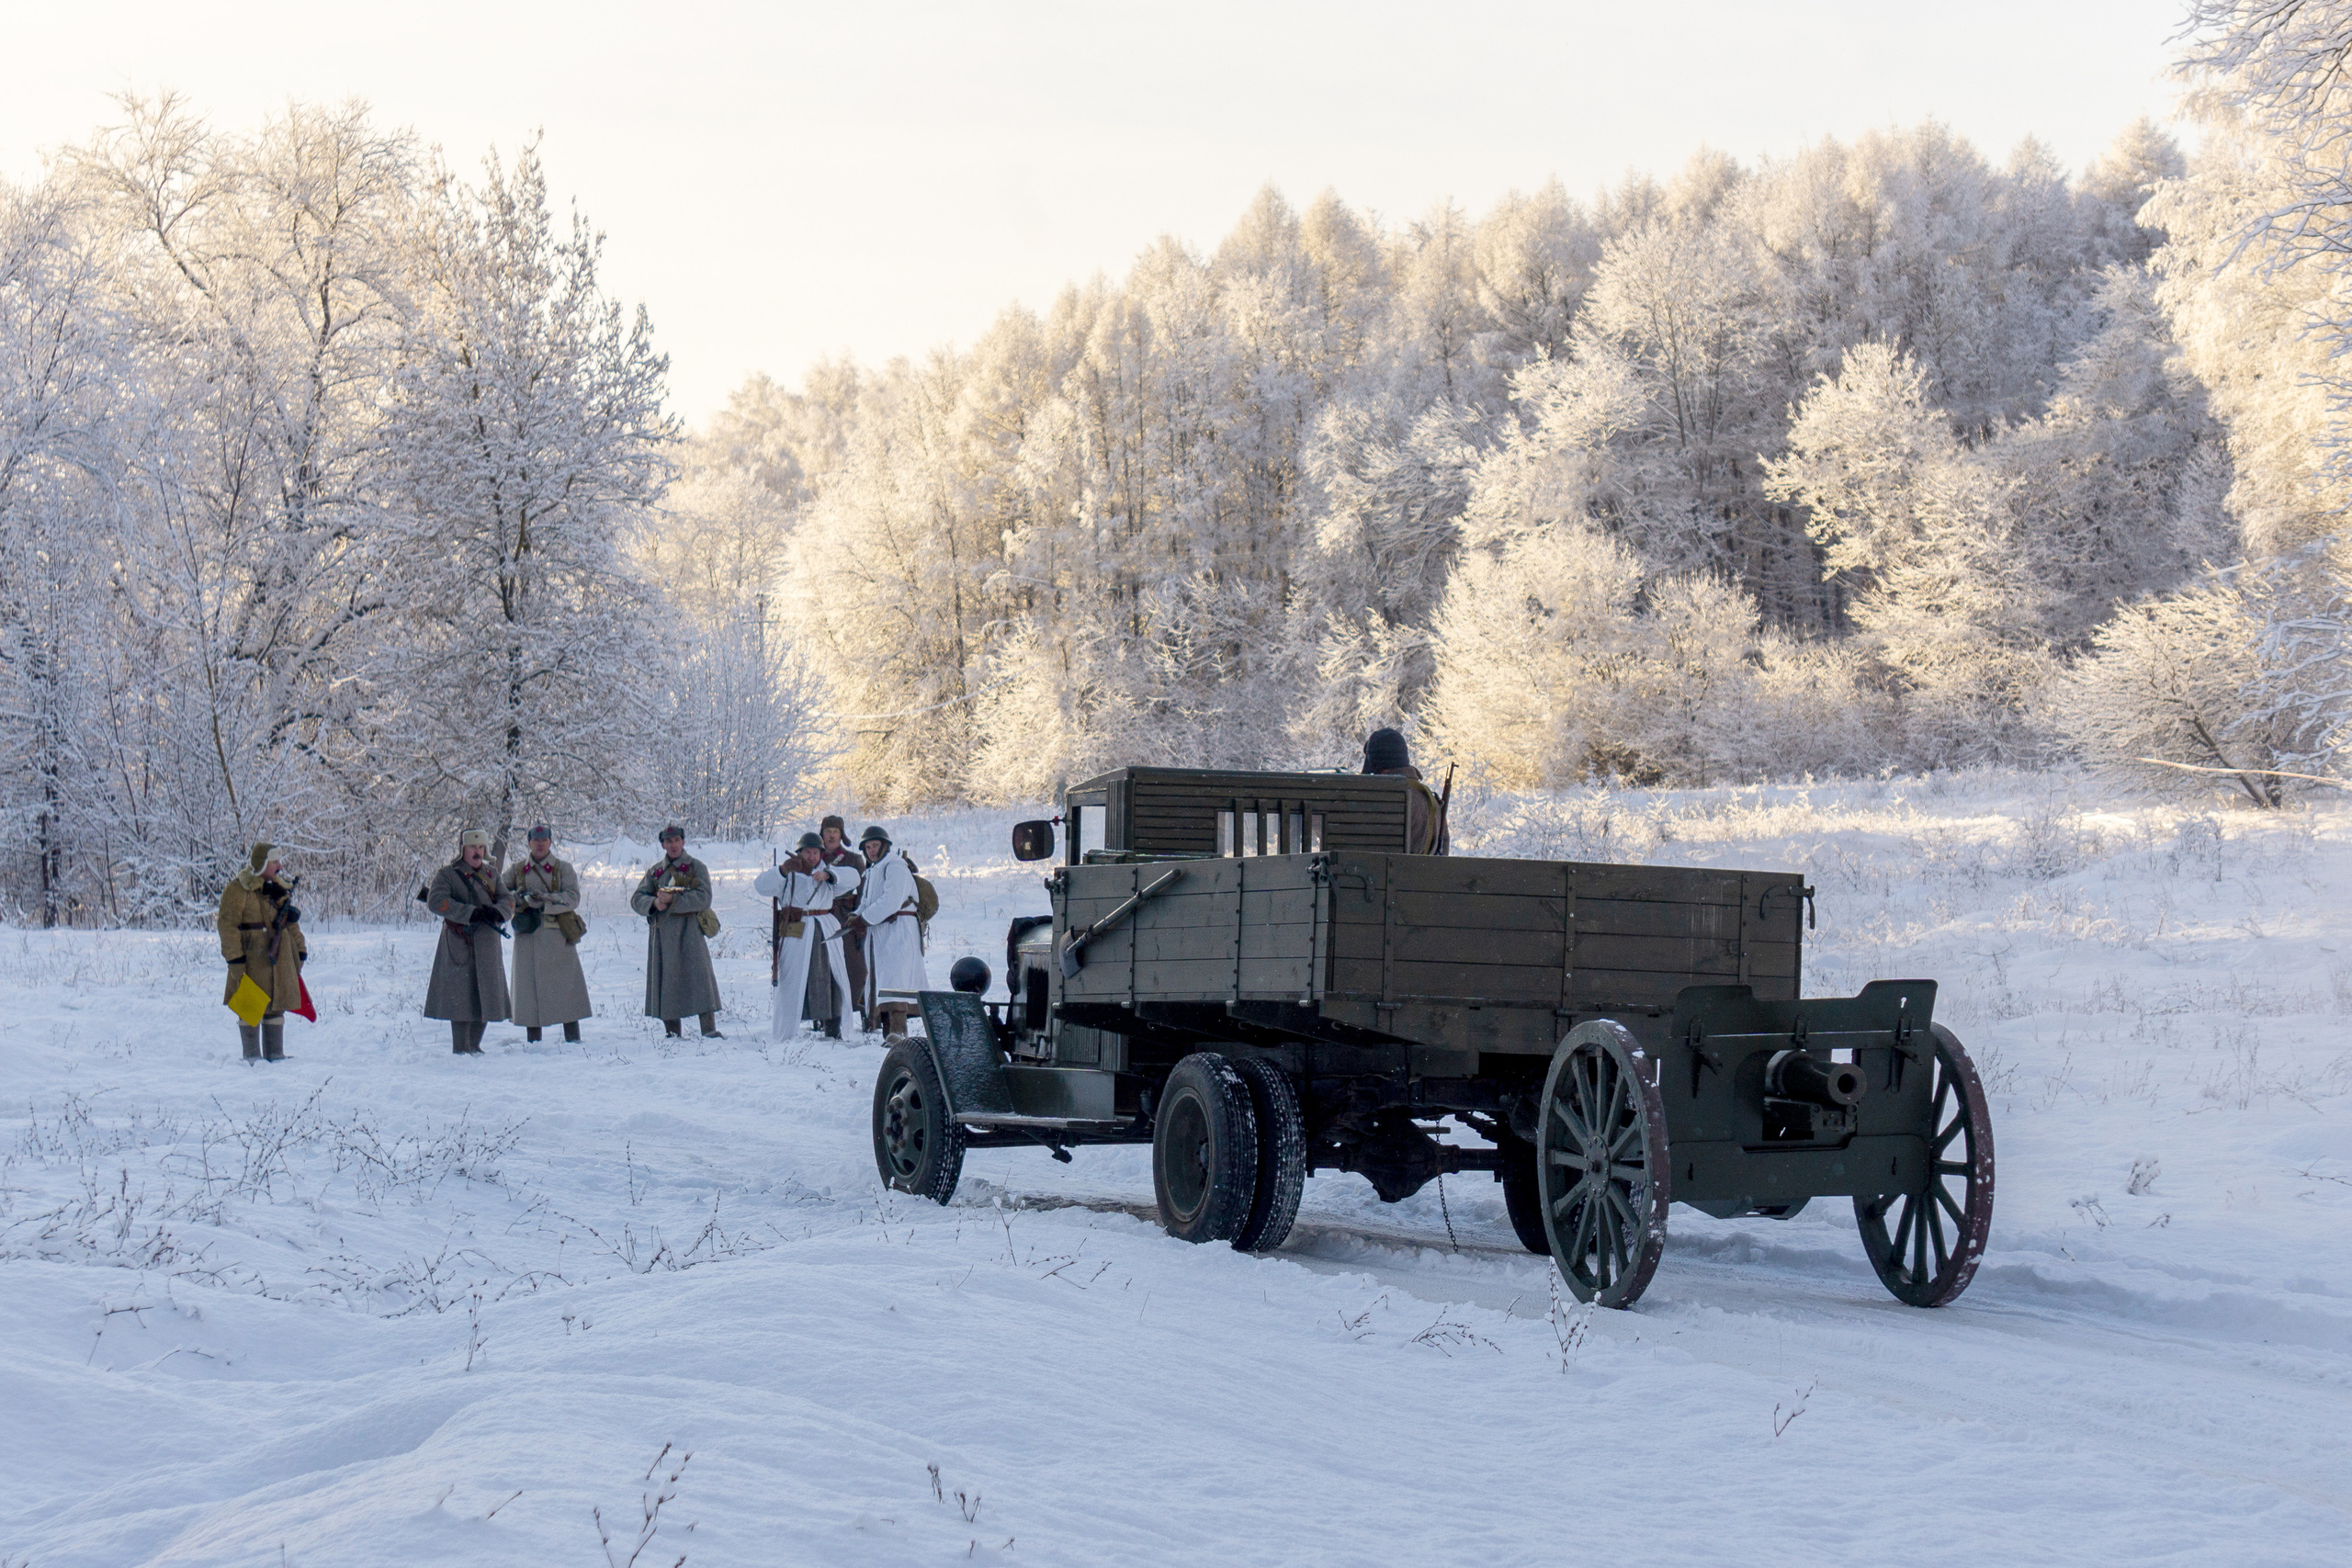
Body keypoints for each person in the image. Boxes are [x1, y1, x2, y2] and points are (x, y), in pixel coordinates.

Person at [753, 831, 858, 1041]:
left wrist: (829, 876)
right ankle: (788, 1030)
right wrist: (782, 870)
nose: (811, 857)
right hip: (796, 933)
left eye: (815, 852)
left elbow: (854, 878)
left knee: (830, 977)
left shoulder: (828, 872)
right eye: (807, 852)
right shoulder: (788, 873)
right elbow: (761, 886)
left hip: (824, 930)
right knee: (793, 979)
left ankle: (833, 1028)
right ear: (799, 853)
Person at [501, 823, 592, 1043]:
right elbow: (501, 892)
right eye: (536, 840)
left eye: (544, 840)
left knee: (566, 991)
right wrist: (521, 899)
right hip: (527, 938)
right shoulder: (517, 870)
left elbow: (573, 897)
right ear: (529, 843)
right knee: (529, 993)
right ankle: (534, 1041)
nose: (540, 844)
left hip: (557, 937)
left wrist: (545, 902)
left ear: (550, 842)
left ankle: (573, 1039)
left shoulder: (563, 869)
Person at [424, 829, 513, 1055]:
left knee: (488, 995)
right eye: (473, 847)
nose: (477, 852)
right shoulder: (447, 874)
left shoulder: (491, 875)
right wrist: (469, 913)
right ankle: (461, 1048)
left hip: (488, 942)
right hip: (459, 942)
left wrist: (497, 912)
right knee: (461, 998)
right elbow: (436, 901)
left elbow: (508, 900)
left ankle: (474, 1045)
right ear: (463, 849)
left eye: (481, 847)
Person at [630, 825, 723, 1038]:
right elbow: (636, 899)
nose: (673, 845)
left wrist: (674, 900)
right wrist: (654, 903)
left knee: (700, 980)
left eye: (677, 840)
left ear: (683, 842)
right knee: (667, 981)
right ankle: (672, 1033)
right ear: (663, 844)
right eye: (669, 841)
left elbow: (704, 898)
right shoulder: (655, 872)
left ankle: (709, 1030)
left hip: (691, 930)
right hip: (663, 933)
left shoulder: (696, 867)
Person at [216, 841, 306, 1062]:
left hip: (278, 957)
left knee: (276, 1004)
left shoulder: (277, 887)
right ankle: (252, 1056)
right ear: (263, 863)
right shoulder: (238, 890)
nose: (279, 866)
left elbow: (289, 923)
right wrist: (235, 959)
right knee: (250, 1004)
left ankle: (276, 1054)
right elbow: (227, 926)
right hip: (251, 956)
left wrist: (300, 948)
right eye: (274, 861)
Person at [850, 824, 926, 1028]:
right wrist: (856, 916)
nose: (872, 850)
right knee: (883, 981)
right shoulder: (874, 870)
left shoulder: (895, 866)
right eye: (868, 847)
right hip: (882, 931)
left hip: (900, 929)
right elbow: (867, 902)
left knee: (896, 981)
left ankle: (898, 1032)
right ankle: (887, 1032)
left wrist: (864, 919)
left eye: (875, 845)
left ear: (885, 846)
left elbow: (891, 901)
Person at [818, 814, 869, 1027]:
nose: (831, 836)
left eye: (835, 832)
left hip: (847, 918)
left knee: (855, 967)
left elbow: (863, 891)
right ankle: (828, 1016)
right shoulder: (813, 858)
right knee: (825, 967)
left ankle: (865, 1013)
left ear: (841, 835)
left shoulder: (854, 860)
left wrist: (859, 917)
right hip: (822, 917)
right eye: (827, 831)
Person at [1363, 727, 1448, 854]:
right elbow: (1444, 849)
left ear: (1376, 766)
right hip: (1426, 873)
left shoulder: (1383, 798)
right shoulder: (1430, 798)